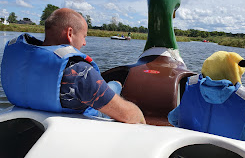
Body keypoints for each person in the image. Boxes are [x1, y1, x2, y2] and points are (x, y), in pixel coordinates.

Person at [1, 8, 146, 124]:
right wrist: (139, 115)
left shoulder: (14, 55)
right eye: (84, 36)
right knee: (117, 88)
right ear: (70, 33)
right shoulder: (79, 71)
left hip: (29, 109)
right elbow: (129, 116)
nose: (84, 43)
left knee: (112, 84)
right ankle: (115, 85)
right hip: (82, 115)